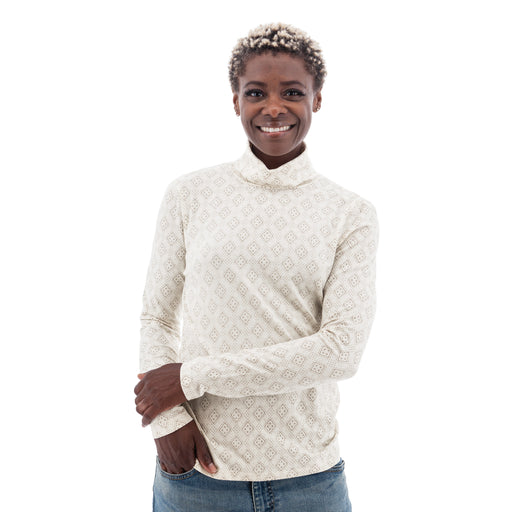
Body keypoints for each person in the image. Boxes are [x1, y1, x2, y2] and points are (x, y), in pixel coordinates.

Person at [134, 22, 378, 512]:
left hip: (309, 478)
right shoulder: (190, 195)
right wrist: (166, 421)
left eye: (292, 92)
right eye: (255, 93)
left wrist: (190, 377)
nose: (273, 107)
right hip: (197, 473)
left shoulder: (350, 213)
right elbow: (157, 317)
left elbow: (340, 351)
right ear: (235, 101)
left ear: (317, 99)